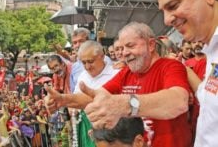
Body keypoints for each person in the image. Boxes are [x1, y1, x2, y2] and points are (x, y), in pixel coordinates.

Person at [45, 22, 191, 147]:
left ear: (151, 44)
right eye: (121, 48)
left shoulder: (170, 66)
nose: (125, 53)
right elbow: (97, 97)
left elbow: (179, 101)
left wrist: (127, 104)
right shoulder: (126, 73)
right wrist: (63, 100)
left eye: (130, 46)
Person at [150, 0, 218, 147]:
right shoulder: (211, 49)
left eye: (173, 6)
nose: (166, 20)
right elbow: (208, 97)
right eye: (163, 11)